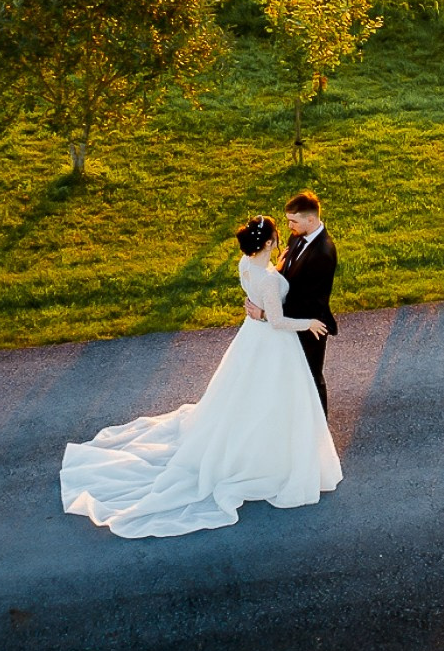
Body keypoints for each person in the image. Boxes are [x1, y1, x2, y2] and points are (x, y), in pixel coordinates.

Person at [58, 216, 341, 537]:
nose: (280, 238)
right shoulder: (267, 280)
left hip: (250, 340)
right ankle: (271, 456)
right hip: (273, 343)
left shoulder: (245, 265)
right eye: (276, 235)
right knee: (272, 399)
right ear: (268, 242)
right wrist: (308, 323)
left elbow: (259, 299)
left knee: (246, 397)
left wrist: (267, 288)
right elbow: (276, 321)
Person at [264, 191, 337, 412]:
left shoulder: (323, 253)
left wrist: (269, 313)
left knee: (311, 377)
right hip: (292, 320)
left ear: (311, 220)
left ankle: (319, 428)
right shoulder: (297, 236)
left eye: (293, 221)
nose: (289, 226)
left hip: (310, 325)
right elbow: (288, 276)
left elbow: (308, 301)